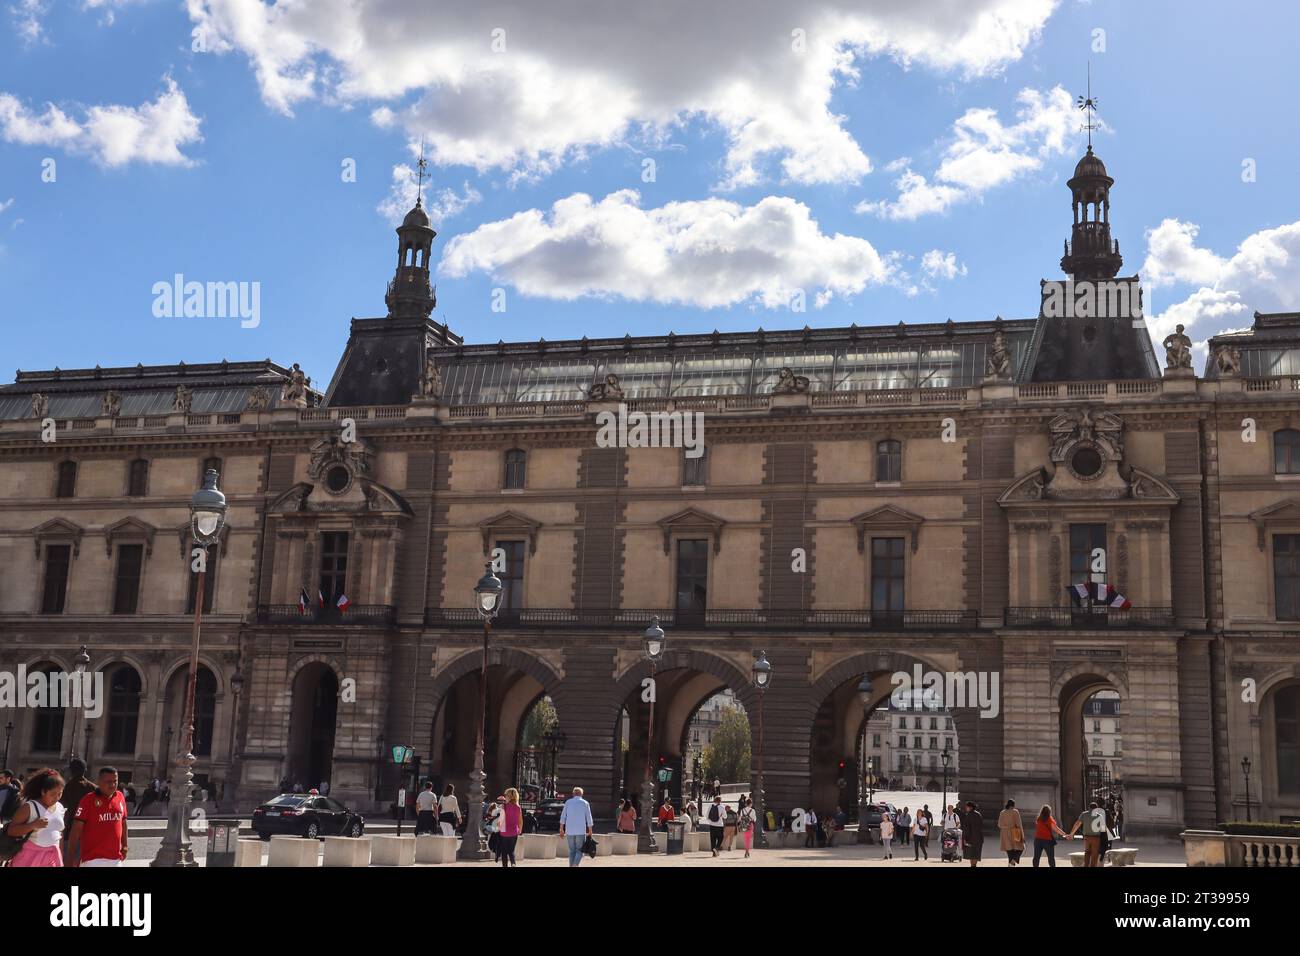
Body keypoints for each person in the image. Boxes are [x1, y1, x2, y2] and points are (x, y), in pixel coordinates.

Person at [67, 766, 128, 867]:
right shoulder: (88, 800)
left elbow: (123, 822)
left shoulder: (120, 797)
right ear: (99, 782)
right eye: (108, 782)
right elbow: (75, 830)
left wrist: (125, 845)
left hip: (115, 859)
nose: (112, 785)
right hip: (93, 860)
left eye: (115, 781)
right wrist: (70, 858)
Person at [4, 769, 66, 867]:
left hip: (53, 859)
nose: (57, 798)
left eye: (60, 794)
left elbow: (59, 834)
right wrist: (33, 825)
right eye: (53, 794)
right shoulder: (30, 806)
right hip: (29, 858)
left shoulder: (60, 807)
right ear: (43, 792)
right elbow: (11, 830)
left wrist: (60, 856)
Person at [558, 786, 594, 867]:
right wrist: (590, 831)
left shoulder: (568, 802)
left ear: (573, 794)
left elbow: (563, 816)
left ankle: (571, 865)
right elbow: (589, 817)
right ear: (582, 794)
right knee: (580, 850)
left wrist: (561, 829)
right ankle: (575, 864)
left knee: (572, 851)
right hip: (580, 830)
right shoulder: (585, 803)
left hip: (569, 830)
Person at [1067, 801, 1107, 867]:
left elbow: (1077, 824)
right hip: (1096, 838)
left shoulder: (1084, 814)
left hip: (1086, 838)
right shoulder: (1100, 816)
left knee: (1087, 853)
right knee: (1094, 855)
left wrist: (1071, 834)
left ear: (1089, 807)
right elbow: (1103, 829)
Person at [498, 788, 523, 868]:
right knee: (511, 850)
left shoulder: (504, 806)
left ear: (509, 796)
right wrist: (520, 830)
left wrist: (498, 827)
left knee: (504, 852)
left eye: (506, 795)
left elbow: (500, 820)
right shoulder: (518, 807)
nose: (505, 797)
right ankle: (513, 863)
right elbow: (520, 821)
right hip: (514, 832)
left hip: (504, 832)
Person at [998, 799, 1025, 866]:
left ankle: (1011, 863)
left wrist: (1006, 827)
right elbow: (1019, 824)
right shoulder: (1015, 812)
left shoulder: (1002, 812)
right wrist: (1022, 835)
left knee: (1009, 851)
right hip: (1014, 832)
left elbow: (999, 824)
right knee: (1021, 848)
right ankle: (1012, 862)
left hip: (1004, 833)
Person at [962, 801, 984, 867]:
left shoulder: (968, 815)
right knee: (976, 854)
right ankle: (974, 865)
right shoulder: (979, 814)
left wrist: (965, 838)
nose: (966, 808)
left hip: (970, 839)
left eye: (967, 807)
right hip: (979, 838)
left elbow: (967, 828)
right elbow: (981, 826)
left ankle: (973, 865)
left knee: (971, 854)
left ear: (970, 807)